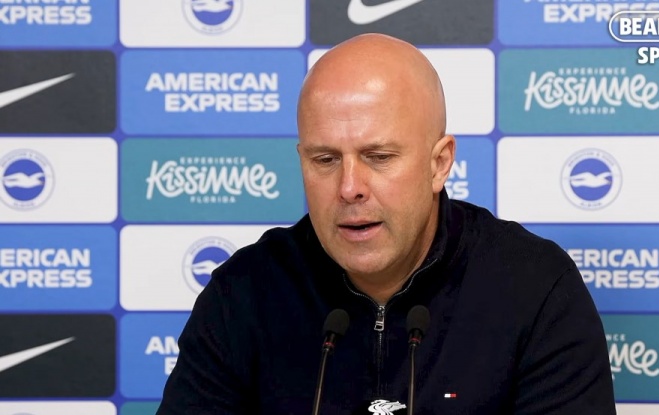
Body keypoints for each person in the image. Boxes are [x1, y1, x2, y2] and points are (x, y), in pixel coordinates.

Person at [156, 33, 616, 414]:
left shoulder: (535, 289)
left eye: (378, 157)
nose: (349, 188)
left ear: (439, 164)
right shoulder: (244, 293)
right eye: (325, 159)